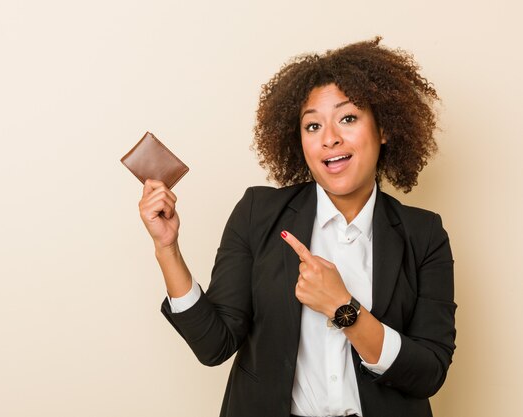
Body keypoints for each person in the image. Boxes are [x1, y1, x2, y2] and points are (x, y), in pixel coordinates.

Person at [138, 37, 456, 417]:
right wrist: (167, 249)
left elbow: (429, 372)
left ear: (383, 128)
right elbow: (213, 346)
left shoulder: (424, 234)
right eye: (312, 125)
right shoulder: (259, 213)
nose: (330, 138)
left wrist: (343, 308)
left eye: (348, 118)